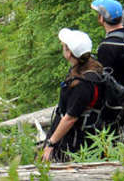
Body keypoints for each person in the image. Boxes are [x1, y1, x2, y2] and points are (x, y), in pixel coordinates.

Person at [42, 28, 103, 162]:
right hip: (89, 135)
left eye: (64, 47)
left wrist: (51, 144)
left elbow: (70, 118)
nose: (62, 48)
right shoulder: (95, 69)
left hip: (73, 142)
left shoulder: (82, 85)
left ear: (69, 53)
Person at [90, 0, 124, 138]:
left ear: (101, 18)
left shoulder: (107, 47)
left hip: (115, 106)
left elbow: (105, 81)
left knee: (113, 145)